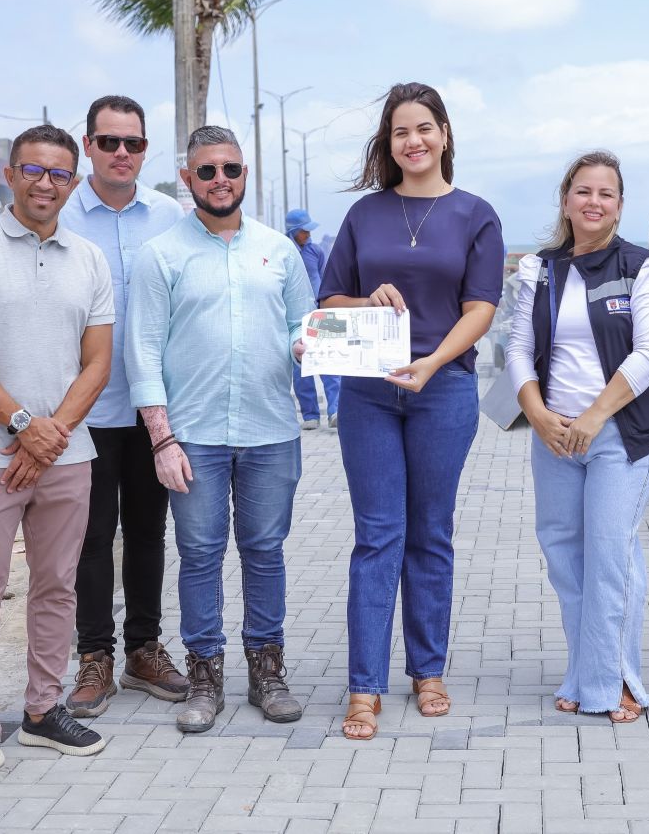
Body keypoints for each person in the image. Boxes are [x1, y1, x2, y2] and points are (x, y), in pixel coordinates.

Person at [318, 82, 504, 740]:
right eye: (400, 131)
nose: (413, 140)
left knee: (430, 532)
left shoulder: (475, 214)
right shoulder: (365, 215)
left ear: (445, 134)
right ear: (387, 142)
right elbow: (328, 301)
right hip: (369, 393)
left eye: (424, 128)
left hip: (443, 390)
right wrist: (366, 302)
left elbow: (481, 307)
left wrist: (431, 362)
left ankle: (428, 670)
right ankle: (364, 685)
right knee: (378, 535)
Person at [0, 124, 113, 795]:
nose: (46, 182)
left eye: (60, 173)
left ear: (73, 183)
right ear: (9, 175)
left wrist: (52, 434)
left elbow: (98, 362)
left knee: (57, 587)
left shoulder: (88, 258)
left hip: (67, 456)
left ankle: (42, 708)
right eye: (33, 170)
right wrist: (19, 425)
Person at [125, 126, 314, 733]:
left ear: (244, 173)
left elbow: (299, 328)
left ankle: (268, 671)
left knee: (264, 553)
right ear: (187, 178)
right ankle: (204, 674)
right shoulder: (161, 255)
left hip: (270, 430)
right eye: (206, 171)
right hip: (194, 436)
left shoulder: (279, 251)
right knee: (200, 554)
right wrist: (161, 438)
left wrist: (315, 348)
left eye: (229, 169)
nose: (219, 180)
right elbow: (143, 350)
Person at [506, 151, 649, 722]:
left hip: (617, 435)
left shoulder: (643, 269)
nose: (593, 202)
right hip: (554, 438)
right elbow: (519, 350)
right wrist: (539, 414)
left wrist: (596, 416)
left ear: (620, 205)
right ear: (566, 199)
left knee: (610, 559)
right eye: (583, 191)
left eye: (605, 193)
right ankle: (585, 671)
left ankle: (618, 683)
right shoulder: (540, 270)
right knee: (566, 561)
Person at [58, 95, 188, 717]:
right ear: (88, 145)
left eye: (133, 144)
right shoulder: (62, 215)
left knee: (146, 532)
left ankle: (143, 649)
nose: (121, 154)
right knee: (89, 538)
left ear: (145, 149)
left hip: (152, 406)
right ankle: (93, 658)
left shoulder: (169, 216)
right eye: (108, 142)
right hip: (82, 406)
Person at [285, 207, 341, 429]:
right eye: (304, 231)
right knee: (302, 367)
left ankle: (335, 410)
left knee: (330, 360)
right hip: (296, 318)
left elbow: (324, 277)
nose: (308, 235)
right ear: (293, 231)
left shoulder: (316, 251)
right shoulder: (284, 252)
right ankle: (310, 415)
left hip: (319, 313)